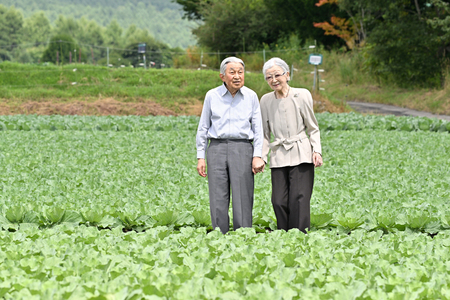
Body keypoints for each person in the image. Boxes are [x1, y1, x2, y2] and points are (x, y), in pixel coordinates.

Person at [196, 56, 265, 234]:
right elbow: (203, 127)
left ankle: (243, 236)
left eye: (240, 72)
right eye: (232, 72)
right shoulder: (212, 96)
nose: (237, 76)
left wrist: (258, 155)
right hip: (216, 148)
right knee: (218, 196)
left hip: (243, 148)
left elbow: (258, 129)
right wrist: (200, 156)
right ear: (222, 76)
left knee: (243, 196)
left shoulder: (251, 96)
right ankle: (220, 235)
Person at [260, 57, 323, 232]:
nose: (273, 80)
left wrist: (317, 150)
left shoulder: (302, 95)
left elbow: (313, 127)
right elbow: (264, 133)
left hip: (301, 152)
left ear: (287, 75)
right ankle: (284, 234)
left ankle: (299, 236)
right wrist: (261, 157)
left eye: (277, 75)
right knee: (278, 200)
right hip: (279, 153)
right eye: (268, 77)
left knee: (300, 198)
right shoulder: (265, 100)